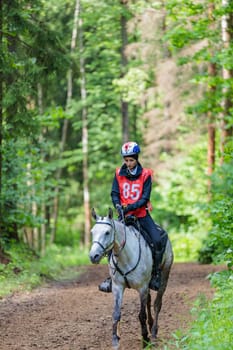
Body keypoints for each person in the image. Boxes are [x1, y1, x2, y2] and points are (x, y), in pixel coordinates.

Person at [99, 141, 164, 293]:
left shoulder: (146, 174)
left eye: (131, 160)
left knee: (157, 240)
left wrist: (130, 207)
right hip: (123, 215)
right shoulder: (118, 173)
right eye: (126, 160)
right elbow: (115, 193)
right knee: (110, 239)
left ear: (137, 158)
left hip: (141, 214)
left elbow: (145, 197)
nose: (128, 163)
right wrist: (118, 206)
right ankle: (111, 276)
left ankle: (155, 274)